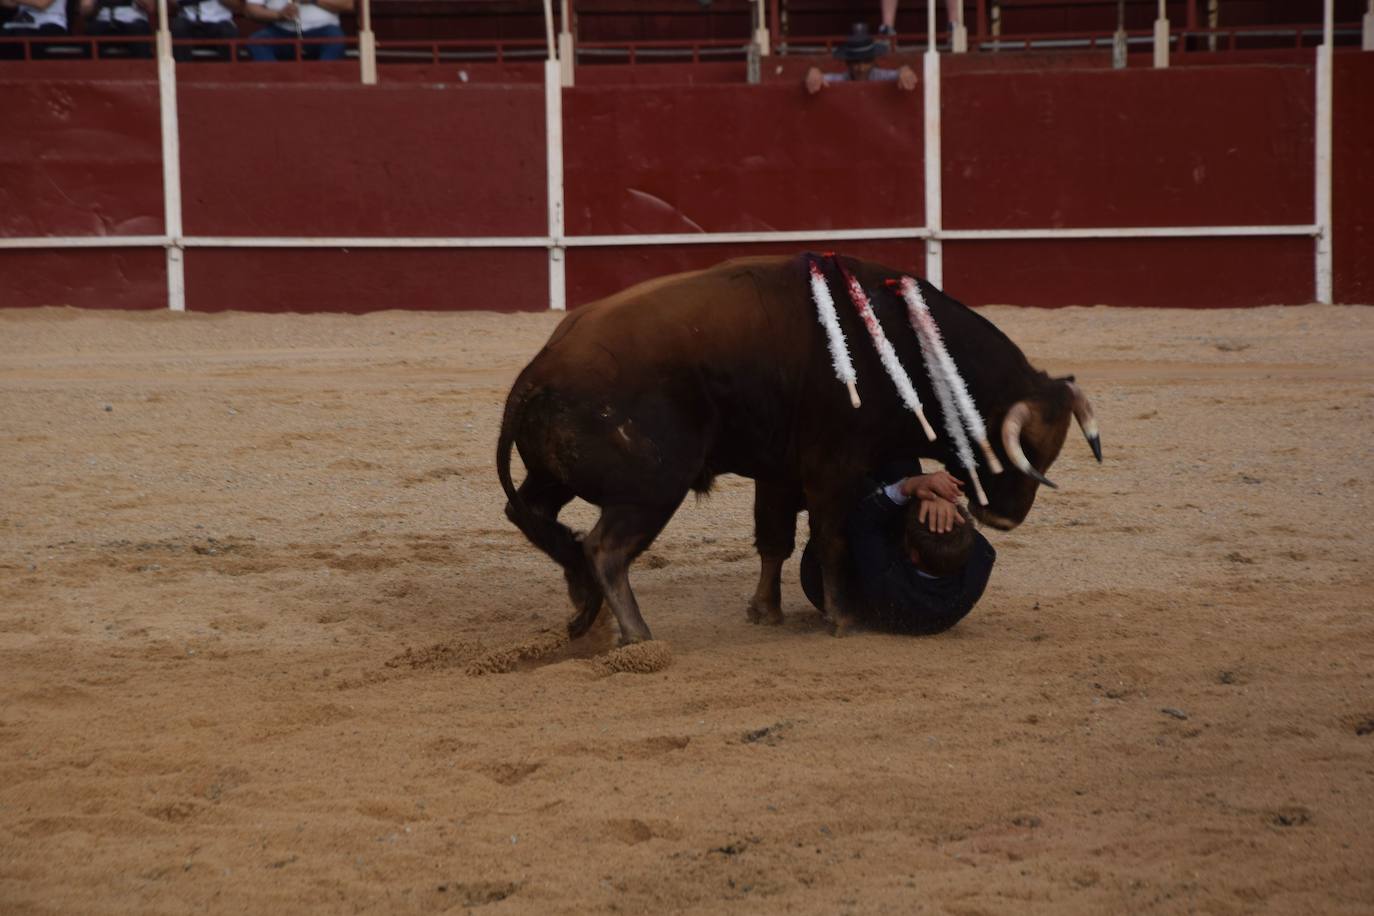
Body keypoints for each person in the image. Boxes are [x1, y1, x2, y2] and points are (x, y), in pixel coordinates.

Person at [799, 462, 996, 635]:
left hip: (837, 578)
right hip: (885, 567)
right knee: (903, 464)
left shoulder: (886, 583)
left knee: (852, 481)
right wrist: (944, 499)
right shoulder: (967, 577)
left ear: (913, 555)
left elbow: (862, 522)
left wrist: (908, 486)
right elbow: (982, 548)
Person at [804, 21, 917, 95]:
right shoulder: (843, 78)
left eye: (866, 61)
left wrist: (904, 70)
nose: (861, 68)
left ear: (873, 61)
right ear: (848, 63)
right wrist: (814, 72)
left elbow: (898, 73)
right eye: (856, 62)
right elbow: (822, 78)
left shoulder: (880, 75)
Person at [244, 0, 350, 61]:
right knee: (257, 42)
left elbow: (349, 5)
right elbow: (252, 10)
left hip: (324, 30)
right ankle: (275, 87)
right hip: (280, 30)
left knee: (336, 40)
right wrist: (279, 15)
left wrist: (313, 0)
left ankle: (321, 86)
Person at [168, 0, 242, 62]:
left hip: (219, 20)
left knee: (228, 32)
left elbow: (238, 5)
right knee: (178, 27)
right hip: (188, 19)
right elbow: (174, 2)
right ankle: (181, 73)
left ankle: (230, 75)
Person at [81, 0, 153, 58]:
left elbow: (150, 7)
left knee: (139, 36)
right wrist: (90, 4)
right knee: (91, 34)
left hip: (134, 21)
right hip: (103, 20)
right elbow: (85, 11)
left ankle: (142, 73)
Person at [0, 0, 69, 59]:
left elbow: (41, 3)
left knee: (18, 40)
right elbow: (9, 3)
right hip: (22, 25)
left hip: (50, 24)